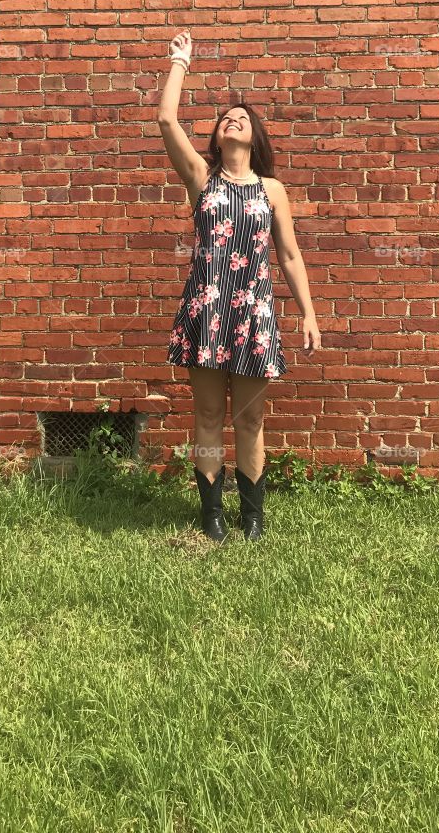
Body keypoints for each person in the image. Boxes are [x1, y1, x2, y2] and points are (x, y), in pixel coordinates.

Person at [158, 29, 322, 542]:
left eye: (243, 118)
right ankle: (211, 514)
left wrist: (309, 313)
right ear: (216, 136)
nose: (233, 119)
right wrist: (180, 62)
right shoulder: (200, 178)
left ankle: (252, 517)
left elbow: (289, 255)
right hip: (206, 312)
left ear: (255, 138)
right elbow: (165, 120)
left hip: (254, 315)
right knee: (208, 414)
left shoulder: (272, 190)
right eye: (226, 117)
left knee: (250, 421)